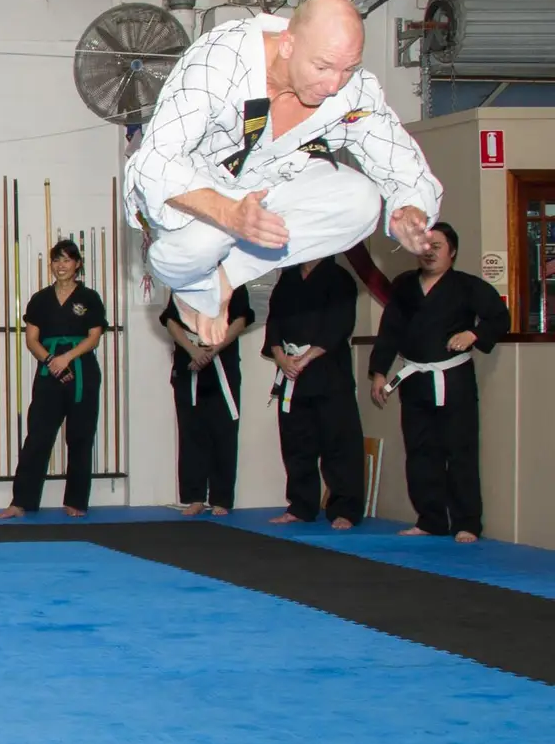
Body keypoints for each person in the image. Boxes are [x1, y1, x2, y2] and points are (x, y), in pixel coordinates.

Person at [123, 0, 442, 347]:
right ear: (288, 44)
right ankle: (192, 287)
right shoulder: (221, 59)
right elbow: (156, 162)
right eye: (322, 67)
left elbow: (401, 162)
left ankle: (225, 278)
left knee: (362, 202)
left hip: (270, 185)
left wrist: (410, 209)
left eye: (349, 68)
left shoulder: (354, 91)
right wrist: (230, 214)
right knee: (203, 243)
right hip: (196, 196)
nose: (334, 84)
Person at [370, 223, 508, 543]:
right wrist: (379, 372)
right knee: (420, 451)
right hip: (415, 380)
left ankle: (467, 523)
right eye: (425, 245)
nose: (429, 252)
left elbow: (499, 317)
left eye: (437, 246)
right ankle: (430, 519)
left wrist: (473, 333)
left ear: (452, 251)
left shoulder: (468, 286)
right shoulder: (404, 286)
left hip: (454, 379)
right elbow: (390, 330)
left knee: (459, 451)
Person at [0, 240, 107, 519]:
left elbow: (94, 337)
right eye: (56, 260)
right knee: (37, 437)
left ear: (77, 264)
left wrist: (66, 358)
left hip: (81, 370)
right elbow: (31, 339)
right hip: (49, 372)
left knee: (80, 437)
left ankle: (76, 501)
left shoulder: (89, 297)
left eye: (67, 260)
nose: (61, 265)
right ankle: (21, 501)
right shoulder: (40, 299)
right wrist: (51, 361)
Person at [263, 255, 365, 529]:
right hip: (292, 372)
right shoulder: (288, 278)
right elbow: (274, 321)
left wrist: (305, 359)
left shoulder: (340, 278)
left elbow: (339, 325)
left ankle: (345, 509)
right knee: (297, 443)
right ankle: (301, 505)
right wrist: (280, 357)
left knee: (339, 443)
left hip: (330, 372)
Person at [161, 284, 254, 516]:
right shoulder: (184, 281)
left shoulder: (233, 282)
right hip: (189, 362)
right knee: (191, 431)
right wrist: (193, 350)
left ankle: (221, 498)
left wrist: (213, 349)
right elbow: (171, 320)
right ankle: (195, 497)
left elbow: (240, 319)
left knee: (224, 432)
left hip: (222, 361)